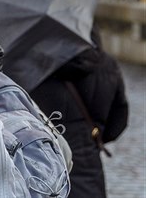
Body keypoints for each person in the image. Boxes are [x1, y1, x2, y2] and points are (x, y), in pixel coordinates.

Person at [30, 29, 129, 198]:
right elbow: (119, 119)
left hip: (46, 174)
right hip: (89, 170)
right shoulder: (108, 65)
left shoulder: (34, 68)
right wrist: (93, 137)